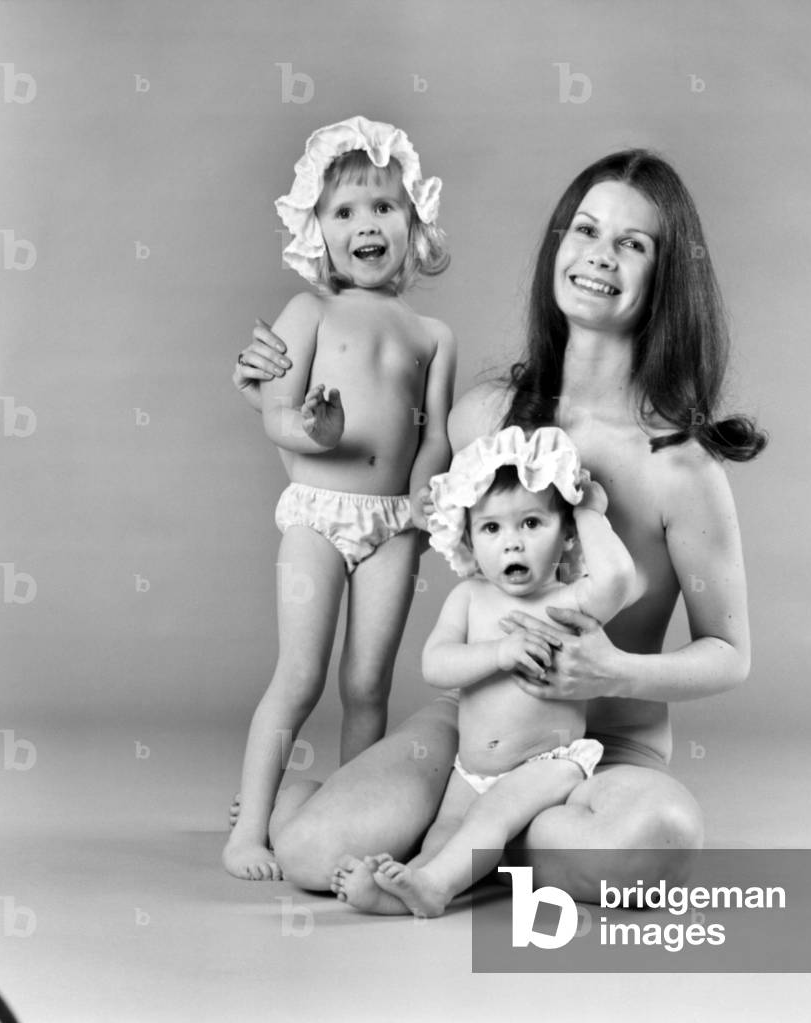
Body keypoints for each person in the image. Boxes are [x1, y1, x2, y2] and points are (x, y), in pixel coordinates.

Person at [233, 148, 766, 899]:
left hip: (601, 749)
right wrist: (269, 397)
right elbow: (369, 488)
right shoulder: (485, 416)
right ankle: (463, 834)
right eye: (584, 230)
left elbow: (729, 652)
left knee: (662, 834)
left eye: (631, 243)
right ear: (558, 245)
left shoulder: (679, 467)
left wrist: (615, 670)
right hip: (471, 727)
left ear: (666, 277)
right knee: (311, 854)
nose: (598, 257)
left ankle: (463, 841)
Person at [223, 117, 456, 881]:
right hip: (320, 513)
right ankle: (250, 829)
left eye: (385, 207)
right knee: (300, 674)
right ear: (315, 229)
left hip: (393, 526)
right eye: (345, 211)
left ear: (414, 223)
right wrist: (312, 430)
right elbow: (275, 412)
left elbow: (433, 439)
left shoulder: (433, 334)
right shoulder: (309, 312)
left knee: (368, 684)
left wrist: (425, 503)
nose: (366, 224)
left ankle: (355, 819)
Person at [331, 426, 638, 916]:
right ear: (468, 539)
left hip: (548, 762)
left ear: (566, 536)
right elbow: (436, 664)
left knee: (488, 819)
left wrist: (589, 510)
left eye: (532, 524)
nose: (511, 544)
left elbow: (619, 579)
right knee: (445, 833)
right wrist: (499, 651)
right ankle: (407, 892)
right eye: (492, 528)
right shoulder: (469, 598)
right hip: (471, 768)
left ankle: (434, 889)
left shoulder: (568, 598)